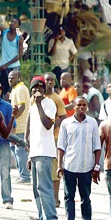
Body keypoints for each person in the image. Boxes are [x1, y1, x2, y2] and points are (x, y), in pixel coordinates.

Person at [57, 96, 101, 220]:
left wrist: (96, 166)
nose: (81, 107)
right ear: (74, 107)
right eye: (79, 105)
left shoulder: (92, 123)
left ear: (86, 107)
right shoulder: (66, 123)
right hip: (69, 165)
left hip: (86, 167)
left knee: (85, 197)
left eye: (84, 105)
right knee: (69, 196)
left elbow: (97, 147)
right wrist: (59, 165)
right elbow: (61, 146)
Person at [26, 76, 59, 220]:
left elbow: (47, 125)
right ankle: (42, 218)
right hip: (35, 152)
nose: (37, 90)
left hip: (45, 151)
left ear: (44, 90)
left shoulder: (48, 104)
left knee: (44, 187)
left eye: (40, 88)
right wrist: (29, 154)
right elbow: (30, 133)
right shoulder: (32, 106)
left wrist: (39, 104)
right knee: (36, 189)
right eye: (34, 88)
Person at [44, 72, 67, 207]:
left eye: (52, 80)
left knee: (55, 169)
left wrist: (53, 125)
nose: (50, 82)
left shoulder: (56, 98)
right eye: (47, 80)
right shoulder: (37, 98)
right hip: (41, 138)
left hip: (54, 137)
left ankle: (55, 198)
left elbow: (63, 116)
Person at [0, 81, 17, 209]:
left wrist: (11, 138)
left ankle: (7, 199)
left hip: (3, 144)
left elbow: (13, 127)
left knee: (5, 172)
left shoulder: (7, 106)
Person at [8, 70, 30, 184]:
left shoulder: (21, 88)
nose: (10, 80)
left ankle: (25, 176)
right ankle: (22, 174)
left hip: (20, 126)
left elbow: (22, 107)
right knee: (15, 149)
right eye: (9, 78)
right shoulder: (15, 89)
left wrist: (13, 121)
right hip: (16, 126)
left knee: (20, 151)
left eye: (12, 77)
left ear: (19, 77)